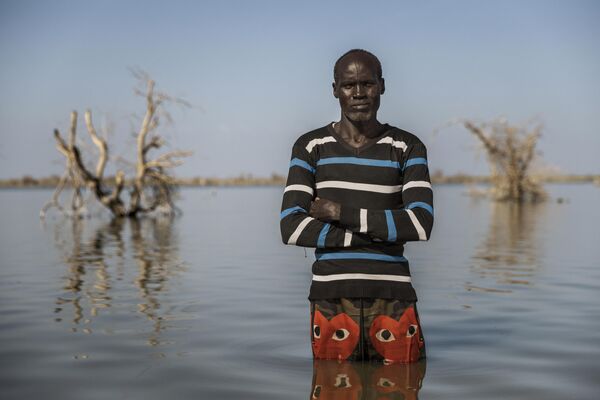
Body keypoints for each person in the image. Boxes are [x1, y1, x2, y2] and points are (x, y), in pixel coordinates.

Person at [280, 49, 433, 363]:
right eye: (349, 85)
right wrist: (379, 234)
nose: (359, 93)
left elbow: (420, 224)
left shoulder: (407, 146)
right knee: (333, 389)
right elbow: (291, 228)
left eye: (368, 83)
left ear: (382, 86)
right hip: (330, 300)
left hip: (394, 297)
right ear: (335, 89)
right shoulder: (310, 147)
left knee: (402, 388)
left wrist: (339, 213)